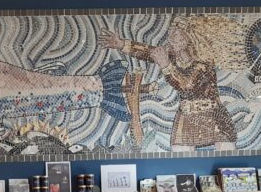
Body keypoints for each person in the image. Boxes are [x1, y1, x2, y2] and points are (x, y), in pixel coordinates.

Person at [100, 16, 240, 150]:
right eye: (170, 33)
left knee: (226, 152)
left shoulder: (204, 62)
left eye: (175, 34)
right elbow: (149, 52)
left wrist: (166, 65)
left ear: (188, 37)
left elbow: (187, 85)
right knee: (180, 154)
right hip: (186, 117)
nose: (170, 38)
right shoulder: (173, 54)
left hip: (213, 116)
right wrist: (122, 44)